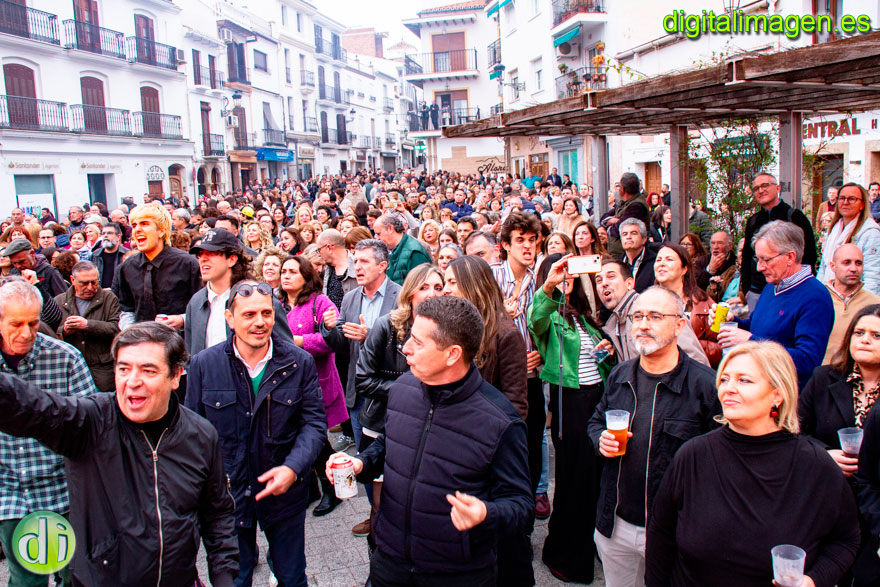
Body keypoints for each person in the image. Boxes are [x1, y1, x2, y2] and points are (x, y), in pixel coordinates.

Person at [0, 321, 239, 585]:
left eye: (148, 370)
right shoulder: (89, 424)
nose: (132, 381)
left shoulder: (201, 435)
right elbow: (30, 406)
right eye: (123, 369)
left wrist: (224, 578)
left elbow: (217, 514)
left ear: (175, 376)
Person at [326, 296, 532, 587]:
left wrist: (486, 513)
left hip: (456, 574)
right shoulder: (402, 389)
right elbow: (391, 443)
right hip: (390, 562)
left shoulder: (500, 422)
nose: (406, 348)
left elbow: (521, 505)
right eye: (410, 336)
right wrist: (361, 463)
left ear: (452, 354)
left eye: (418, 343)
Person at [647, 341, 860, 587]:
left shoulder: (815, 465)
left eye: (744, 380)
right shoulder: (693, 455)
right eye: (724, 379)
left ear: (777, 395)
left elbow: (846, 540)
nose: (729, 389)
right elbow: (660, 537)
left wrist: (813, 580)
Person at [588, 286, 720, 587]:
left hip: (676, 529)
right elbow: (596, 421)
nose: (643, 324)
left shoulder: (705, 386)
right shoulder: (620, 375)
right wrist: (600, 439)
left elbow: (721, 461)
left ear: (679, 324)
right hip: (616, 525)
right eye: (637, 317)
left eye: (655, 316)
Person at [0, 279, 98, 585]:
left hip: (62, 490)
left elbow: (90, 426)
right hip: (9, 492)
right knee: (26, 580)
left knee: (77, 577)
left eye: (32, 323)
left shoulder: (65, 358)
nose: (26, 333)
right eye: (16, 324)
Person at [528, 253, 613, 584]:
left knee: (593, 478)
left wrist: (606, 351)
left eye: (571, 273)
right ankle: (565, 554)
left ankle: (590, 544)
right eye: (559, 272)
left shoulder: (583, 315)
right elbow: (535, 320)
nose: (567, 278)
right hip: (571, 403)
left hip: (598, 400)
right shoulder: (548, 312)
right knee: (574, 480)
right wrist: (549, 286)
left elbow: (598, 362)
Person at [354, 264, 445, 551]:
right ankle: (379, 561)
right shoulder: (387, 326)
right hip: (382, 425)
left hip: (425, 429)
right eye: (424, 287)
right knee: (381, 505)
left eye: (438, 287)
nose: (431, 294)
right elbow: (363, 379)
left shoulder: (446, 330)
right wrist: (409, 391)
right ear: (410, 292)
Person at [321, 239, 401, 537]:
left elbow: (408, 345)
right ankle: (374, 513)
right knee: (365, 459)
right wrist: (330, 328)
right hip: (360, 392)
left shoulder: (401, 296)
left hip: (392, 392)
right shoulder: (351, 297)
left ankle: (395, 517)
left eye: (365, 261)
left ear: (383, 266)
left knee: (394, 459)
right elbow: (341, 344)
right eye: (356, 261)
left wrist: (372, 335)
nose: (358, 267)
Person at [717, 220, 834, 389]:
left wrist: (750, 341)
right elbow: (757, 327)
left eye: (766, 259)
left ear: (790, 257)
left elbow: (807, 360)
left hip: (787, 396)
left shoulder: (815, 297)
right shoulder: (772, 286)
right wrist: (733, 321)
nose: (759, 267)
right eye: (758, 259)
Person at [276, 256, 348, 518]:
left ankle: (334, 487)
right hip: (285, 383)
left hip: (315, 381)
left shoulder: (320, 302)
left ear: (306, 277)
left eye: (293, 272)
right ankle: (312, 488)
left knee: (316, 437)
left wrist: (299, 341)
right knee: (298, 436)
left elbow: (333, 340)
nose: (286, 276)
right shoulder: (275, 304)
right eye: (284, 271)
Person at [185, 228, 292, 359]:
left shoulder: (261, 298)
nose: (203, 259)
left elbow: (286, 352)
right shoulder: (196, 302)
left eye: (212, 253)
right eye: (200, 254)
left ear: (232, 259)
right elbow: (190, 356)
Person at [113, 203, 202, 329]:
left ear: (161, 231)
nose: (137, 230)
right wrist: (131, 332)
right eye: (134, 225)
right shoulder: (126, 267)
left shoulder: (188, 264)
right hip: (141, 338)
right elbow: (126, 309)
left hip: (179, 338)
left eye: (144, 224)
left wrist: (182, 319)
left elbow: (203, 307)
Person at [741, 172, 817, 311]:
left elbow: (809, 254)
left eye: (765, 185)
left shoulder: (794, 217)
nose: (761, 190)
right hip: (757, 291)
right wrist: (746, 288)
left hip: (790, 291)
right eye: (756, 188)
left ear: (778, 188)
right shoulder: (753, 221)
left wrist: (801, 285)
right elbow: (747, 256)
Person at [54, 260, 120, 392]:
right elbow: (50, 334)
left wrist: (88, 325)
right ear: (72, 280)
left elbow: (116, 330)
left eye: (94, 282)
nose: (90, 287)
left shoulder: (109, 298)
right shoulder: (59, 301)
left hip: (102, 369)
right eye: (84, 283)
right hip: (70, 368)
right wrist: (65, 331)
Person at [654, 243, 721, 367]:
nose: (662, 263)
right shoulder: (646, 303)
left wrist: (693, 346)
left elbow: (722, 345)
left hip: (695, 371)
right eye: (658, 260)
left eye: (669, 259)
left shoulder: (703, 303)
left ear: (684, 269)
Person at [816, 182, 880, 295]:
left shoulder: (870, 232)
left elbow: (872, 275)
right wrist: (818, 294)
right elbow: (824, 267)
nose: (845, 202)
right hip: (830, 295)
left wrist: (864, 304)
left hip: (855, 298)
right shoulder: (834, 229)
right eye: (842, 198)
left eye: (852, 199)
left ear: (862, 204)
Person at [823, 244, 880, 364]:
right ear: (833, 266)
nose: (853, 268)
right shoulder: (817, 299)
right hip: (819, 372)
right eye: (847, 263)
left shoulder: (875, 304)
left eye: (858, 263)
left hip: (860, 372)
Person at [373, 213, 432, 285]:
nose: (377, 238)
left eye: (379, 234)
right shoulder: (391, 251)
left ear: (390, 228)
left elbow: (420, 286)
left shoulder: (414, 252)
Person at [2, 237, 68, 299]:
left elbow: (63, 300)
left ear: (32, 253)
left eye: (21, 262)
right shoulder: (14, 273)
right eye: (14, 263)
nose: (17, 266)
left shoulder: (49, 272)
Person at [602, 172, 650, 256]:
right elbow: (603, 217)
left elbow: (617, 230)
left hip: (627, 253)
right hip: (618, 253)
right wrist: (612, 221)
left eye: (619, 187)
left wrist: (612, 224)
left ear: (623, 189)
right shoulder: (624, 203)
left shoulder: (637, 206)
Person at [316, 228, 358, 309]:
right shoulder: (326, 270)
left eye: (319, 250)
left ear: (329, 248)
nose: (319, 254)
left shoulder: (358, 268)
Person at [620, 219, 658, 293]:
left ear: (644, 239)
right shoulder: (617, 263)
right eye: (624, 234)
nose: (628, 237)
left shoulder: (655, 262)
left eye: (633, 233)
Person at [93, 222, 128, 289]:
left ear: (118, 236)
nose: (105, 235)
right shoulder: (95, 255)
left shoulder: (126, 255)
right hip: (100, 293)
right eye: (103, 233)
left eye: (109, 233)